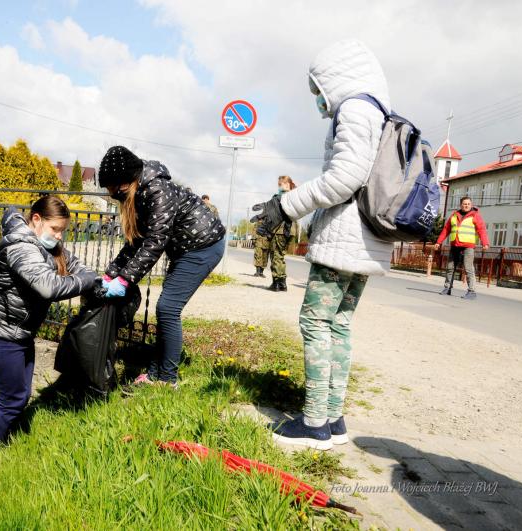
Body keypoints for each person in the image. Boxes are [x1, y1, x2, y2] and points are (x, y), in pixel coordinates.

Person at [251, 40, 394, 450]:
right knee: (339, 325)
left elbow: (344, 178)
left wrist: (286, 206)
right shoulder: (377, 112)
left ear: (336, 77)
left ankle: (314, 423)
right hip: (366, 240)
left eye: (319, 88)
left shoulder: (354, 109)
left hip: (344, 238)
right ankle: (333, 418)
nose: (318, 98)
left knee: (315, 323)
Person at [0, 195, 97, 455]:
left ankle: (7, 448)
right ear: (36, 219)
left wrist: (91, 276)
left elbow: (75, 264)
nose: (59, 236)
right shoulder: (21, 247)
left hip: (20, 334)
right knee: (11, 401)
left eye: (62, 231)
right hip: (1, 335)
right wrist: (88, 281)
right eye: (55, 229)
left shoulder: (46, 245)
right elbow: (48, 287)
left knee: (21, 397)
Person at [98, 146, 226, 387]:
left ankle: (167, 380)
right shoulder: (139, 192)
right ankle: (156, 372)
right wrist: (110, 274)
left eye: (115, 190)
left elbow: (155, 241)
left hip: (203, 246)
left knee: (168, 308)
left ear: (126, 181)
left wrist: (124, 280)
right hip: (184, 247)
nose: (114, 195)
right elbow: (136, 242)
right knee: (165, 308)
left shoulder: (157, 190)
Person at [434, 196, 489, 300]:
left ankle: (471, 291)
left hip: (468, 246)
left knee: (468, 269)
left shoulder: (475, 215)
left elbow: (481, 230)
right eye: (464, 204)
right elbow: (446, 229)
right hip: (455, 245)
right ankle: (447, 288)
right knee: (450, 267)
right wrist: (438, 242)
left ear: (471, 205)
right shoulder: (454, 215)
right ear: (461, 205)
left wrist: (485, 243)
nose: (466, 205)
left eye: (468, 204)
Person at [262, 175, 298, 292]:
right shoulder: (296, 196)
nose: (279, 186)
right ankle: (283, 283)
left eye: (280, 184)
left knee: (276, 255)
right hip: (291, 230)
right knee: (281, 256)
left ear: (286, 184)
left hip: (280, 230)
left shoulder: (279, 197)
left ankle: (276, 283)